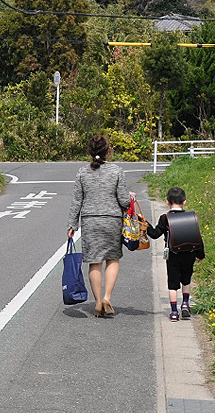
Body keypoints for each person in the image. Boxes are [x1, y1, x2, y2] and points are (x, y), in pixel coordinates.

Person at [67, 135, 133, 317]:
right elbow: (124, 200)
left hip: (90, 221)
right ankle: (107, 298)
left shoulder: (82, 172)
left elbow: (76, 201)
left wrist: (72, 224)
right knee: (112, 259)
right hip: (112, 220)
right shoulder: (116, 171)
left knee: (95, 262)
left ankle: (97, 302)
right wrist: (130, 196)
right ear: (107, 151)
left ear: (90, 151)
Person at [145, 187, 204, 322]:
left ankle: (173, 312)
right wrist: (200, 255)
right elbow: (198, 238)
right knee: (186, 279)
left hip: (173, 254)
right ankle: (185, 303)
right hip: (189, 254)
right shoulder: (191, 217)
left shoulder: (165, 218)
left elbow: (154, 234)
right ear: (184, 202)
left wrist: (145, 224)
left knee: (173, 283)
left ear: (167, 202)